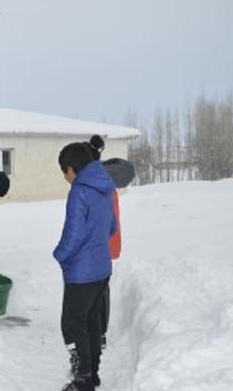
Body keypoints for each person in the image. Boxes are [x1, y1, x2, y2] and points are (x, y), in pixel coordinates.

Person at [54, 142, 116, 391]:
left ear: (71, 169)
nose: (65, 178)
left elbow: (74, 233)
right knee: (91, 321)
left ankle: (82, 381)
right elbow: (111, 227)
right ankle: (93, 374)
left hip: (81, 272)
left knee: (73, 324)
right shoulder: (104, 187)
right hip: (102, 268)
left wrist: (60, 254)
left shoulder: (79, 191)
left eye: (64, 172)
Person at [87, 135, 135, 352]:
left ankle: (98, 334)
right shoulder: (104, 182)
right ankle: (100, 333)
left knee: (96, 289)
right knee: (100, 289)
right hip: (105, 245)